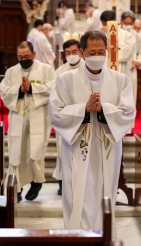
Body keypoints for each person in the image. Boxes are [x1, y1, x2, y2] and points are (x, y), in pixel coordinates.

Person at [49, 30, 136, 234]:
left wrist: (104, 109)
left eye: (101, 51)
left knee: (105, 193)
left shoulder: (120, 80)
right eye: (92, 51)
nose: (97, 56)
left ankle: (103, 235)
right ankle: (75, 236)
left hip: (107, 147)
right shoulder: (65, 80)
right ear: (82, 52)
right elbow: (55, 114)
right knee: (76, 193)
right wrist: (84, 110)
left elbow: (128, 113)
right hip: (77, 148)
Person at [0, 41, 55, 202]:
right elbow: (4, 91)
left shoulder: (46, 69)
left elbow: (53, 88)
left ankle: (37, 181)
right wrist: (19, 90)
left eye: (27, 57)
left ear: (34, 54)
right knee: (16, 152)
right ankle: (15, 187)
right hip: (18, 115)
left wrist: (31, 88)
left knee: (35, 151)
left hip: (38, 115)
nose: (23, 60)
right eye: (20, 57)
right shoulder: (11, 72)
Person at [52, 39, 85, 195]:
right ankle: (63, 182)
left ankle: (82, 183)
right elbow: (54, 96)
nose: (71, 55)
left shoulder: (88, 68)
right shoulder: (59, 72)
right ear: (64, 55)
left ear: (80, 51)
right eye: (68, 53)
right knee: (62, 151)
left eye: (74, 52)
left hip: (84, 117)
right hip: (66, 117)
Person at [100, 10, 135, 76]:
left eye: (106, 24)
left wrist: (115, 45)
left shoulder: (127, 35)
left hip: (120, 70)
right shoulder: (99, 35)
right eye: (104, 24)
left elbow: (128, 53)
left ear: (114, 21)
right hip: (104, 70)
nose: (105, 26)